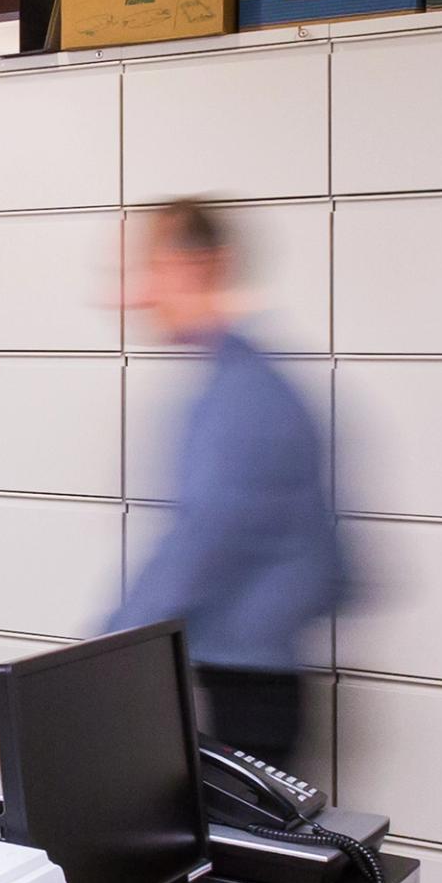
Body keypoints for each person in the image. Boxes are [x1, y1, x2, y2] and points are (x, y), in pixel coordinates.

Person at [109, 197, 344, 764]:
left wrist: (89, 663)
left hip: (245, 691)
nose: (132, 296)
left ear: (199, 267)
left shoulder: (239, 398)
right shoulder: (250, 382)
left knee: (234, 850)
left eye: (147, 270)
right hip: (243, 676)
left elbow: (199, 546)